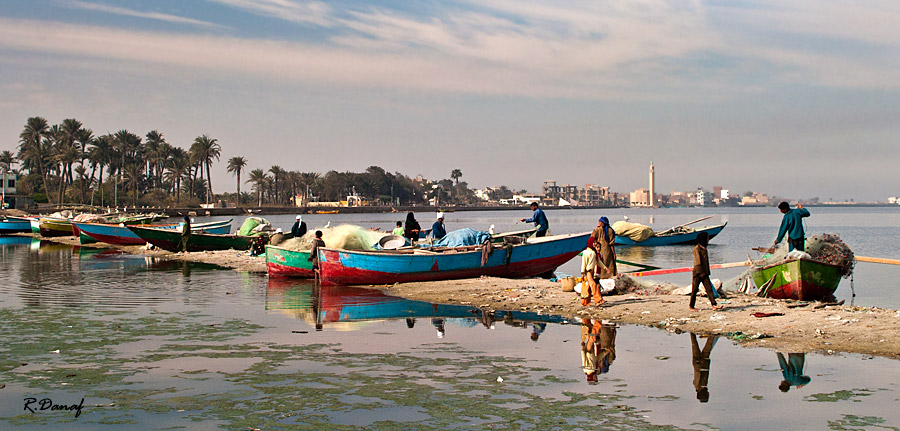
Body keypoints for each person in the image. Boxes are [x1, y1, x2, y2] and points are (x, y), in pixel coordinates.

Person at [690, 232, 722, 311]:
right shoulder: (697, 249)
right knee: (694, 290)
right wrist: (700, 273)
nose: (708, 240)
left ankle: (714, 304)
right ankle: (691, 306)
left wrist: (706, 272)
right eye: (707, 238)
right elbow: (698, 262)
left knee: (709, 289)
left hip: (704, 273)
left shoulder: (704, 248)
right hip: (698, 273)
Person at [691, 333, 717, 403]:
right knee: (694, 343)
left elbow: (701, 374)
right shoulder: (696, 386)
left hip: (702, 363)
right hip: (697, 364)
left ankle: (712, 335)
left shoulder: (703, 385)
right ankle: (692, 332)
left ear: (707, 394)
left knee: (708, 348)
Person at [580, 237, 605, 306]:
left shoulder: (593, 252)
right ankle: (598, 300)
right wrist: (582, 273)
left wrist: (605, 268)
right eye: (593, 242)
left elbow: (598, 262)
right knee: (593, 284)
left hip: (592, 271)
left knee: (588, 287)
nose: (595, 244)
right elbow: (583, 263)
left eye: (595, 242)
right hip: (588, 271)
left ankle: (585, 302)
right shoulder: (586, 252)